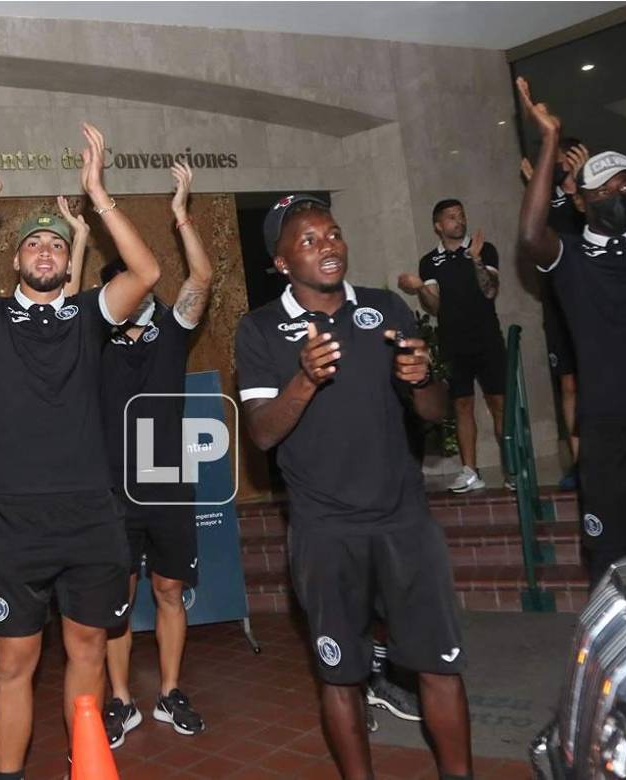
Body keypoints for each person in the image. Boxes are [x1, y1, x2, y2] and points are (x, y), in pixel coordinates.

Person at [0, 122, 159, 780]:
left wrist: (99, 193)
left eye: (56, 242)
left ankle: (85, 765)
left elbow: (147, 271)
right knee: (14, 663)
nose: (48, 251)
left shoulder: (89, 315)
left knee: (86, 648)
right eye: (36, 244)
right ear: (17, 260)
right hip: (16, 519)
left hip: (90, 513)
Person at [237, 194, 471, 780]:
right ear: (281, 262)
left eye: (333, 233)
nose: (328, 246)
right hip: (325, 530)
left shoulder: (385, 307)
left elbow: (433, 409)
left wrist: (421, 381)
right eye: (309, 241)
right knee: (341, 676)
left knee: (440, 667)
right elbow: (262, 435)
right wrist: (304, 379)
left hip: (403, 520)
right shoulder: (261, 328)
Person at [515, 20, 626, 585]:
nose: (618, 193)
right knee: (612, 575)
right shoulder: (570, 258)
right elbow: (531, 232)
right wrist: (547, 140)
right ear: (583, 200)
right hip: (609, 442)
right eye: (604, 188)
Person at [87, 162, 213, 747]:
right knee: (117, 601)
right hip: (112, 489)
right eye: (125, 290)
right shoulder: (94, 342)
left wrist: (182, 216)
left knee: (168, 590)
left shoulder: (171, 327)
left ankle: (169, 691)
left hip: (168, 482)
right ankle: (120, 701)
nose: (136, 297)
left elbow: (203, 279)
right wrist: (86, 234)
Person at [397, 200, 506, 493]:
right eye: (452, 217)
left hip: (487, 338)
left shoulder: (485, 249)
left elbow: (490, 291)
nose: (459, 221)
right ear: (438, 226)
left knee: (499, 403)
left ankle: (513, 468)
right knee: (461, 404)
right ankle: (470, 471)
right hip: (453, 342)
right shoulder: (430, 261)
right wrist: (421, 288)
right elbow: (435, 308)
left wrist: (476, 260)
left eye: (461, 215)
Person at [522, 139, 589, 489]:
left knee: (599, 379)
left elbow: (599, 227)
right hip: (556, 304)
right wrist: (540, 185)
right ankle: (579, 463)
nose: (561, 164)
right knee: (568, 383)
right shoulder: (543, 198)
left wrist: (579, 187)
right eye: (557, 159)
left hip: (592, 304)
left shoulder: (590, 194)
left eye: (566, 159)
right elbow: (532, 237)